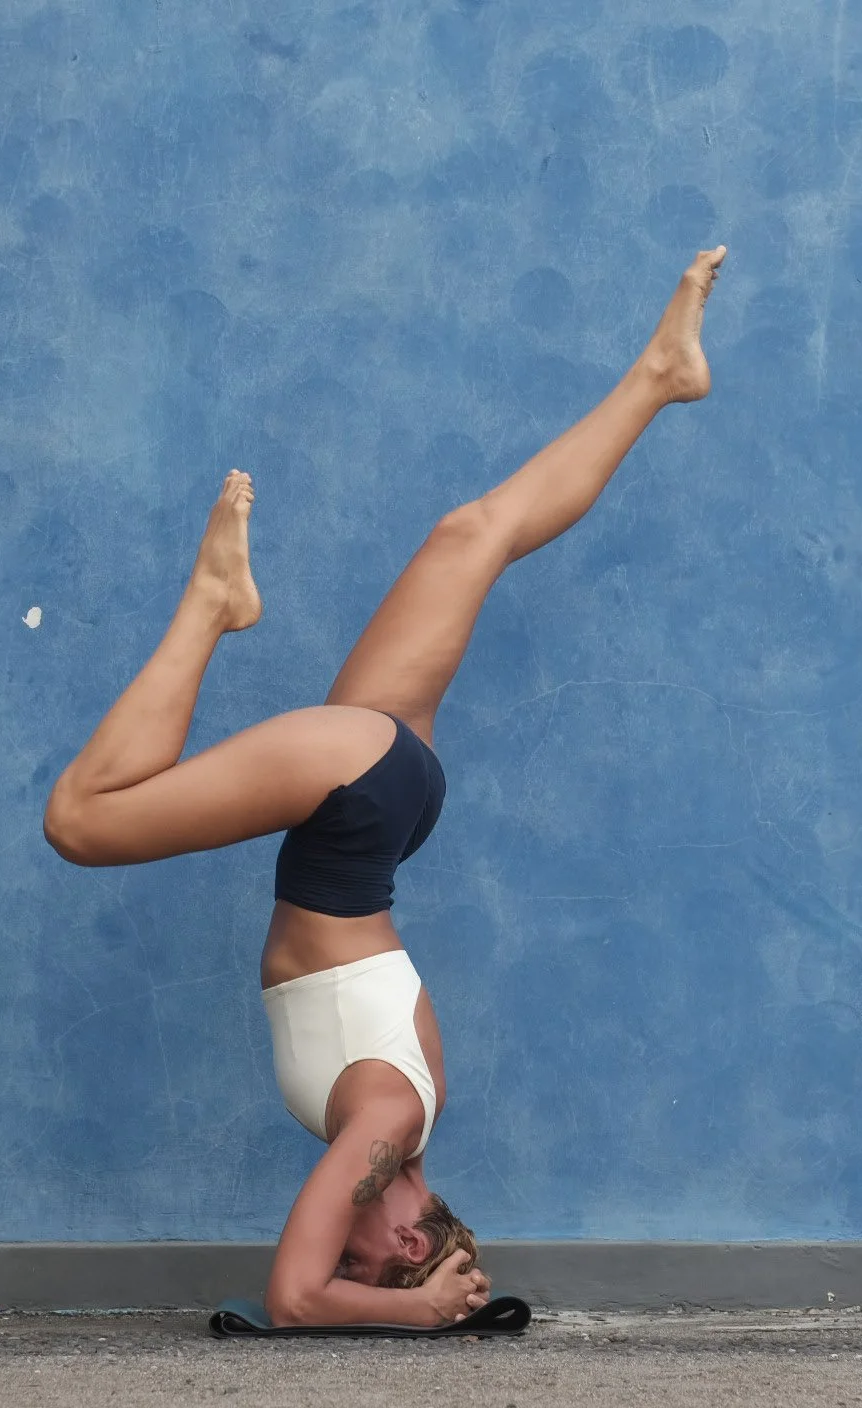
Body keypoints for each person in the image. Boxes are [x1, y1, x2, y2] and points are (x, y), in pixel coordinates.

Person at [44, 247, 727, 1326]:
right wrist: (419, 1312)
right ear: (405, 1235)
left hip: (386, 805)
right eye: (372, 1260)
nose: (341, 1247)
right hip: (352, 806)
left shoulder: (411, 1114)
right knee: (82, 821)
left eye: (355, 1262)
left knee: (475, 533)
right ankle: (214, 604)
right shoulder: (384, 1129)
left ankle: (659, 375)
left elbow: (321, 1278)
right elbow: (296, 1296)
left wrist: (425, 1296)